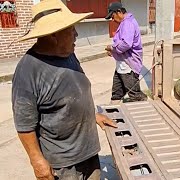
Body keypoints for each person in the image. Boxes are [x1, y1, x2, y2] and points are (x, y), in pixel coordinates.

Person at [11, 0, 116, 179]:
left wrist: (93, 115)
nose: (76, 34)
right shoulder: (27, 71)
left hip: (88, 153)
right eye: (71, 29)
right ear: (53, 35)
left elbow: (75, 93)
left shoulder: (68, 54)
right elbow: (24, 126)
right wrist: (37, 161)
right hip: (63, 165)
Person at [105, 2, 148, 104]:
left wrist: (112, 48)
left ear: (119, 12)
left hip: (128, 66)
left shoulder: (127, 23)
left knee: (135, 95)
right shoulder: (125, 22)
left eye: (113, 16)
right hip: (122, 64)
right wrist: (114, 51)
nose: (112, 19)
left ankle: (142, 112)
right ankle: (113, 114)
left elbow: (126, 44)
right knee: (116, 93)